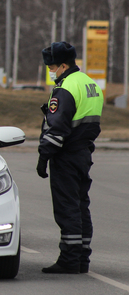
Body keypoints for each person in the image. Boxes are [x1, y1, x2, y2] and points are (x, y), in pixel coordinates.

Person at [37, 41, 104, 274]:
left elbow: (57, 129)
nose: (50, 71)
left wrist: (44, 156)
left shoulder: (65, 88)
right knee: (81, 204)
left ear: (63, 65)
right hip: (83, 153)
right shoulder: (90, 84)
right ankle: (82, 258)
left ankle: (69, 259)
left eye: (52, 67)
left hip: (65, 155)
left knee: (67, 207)